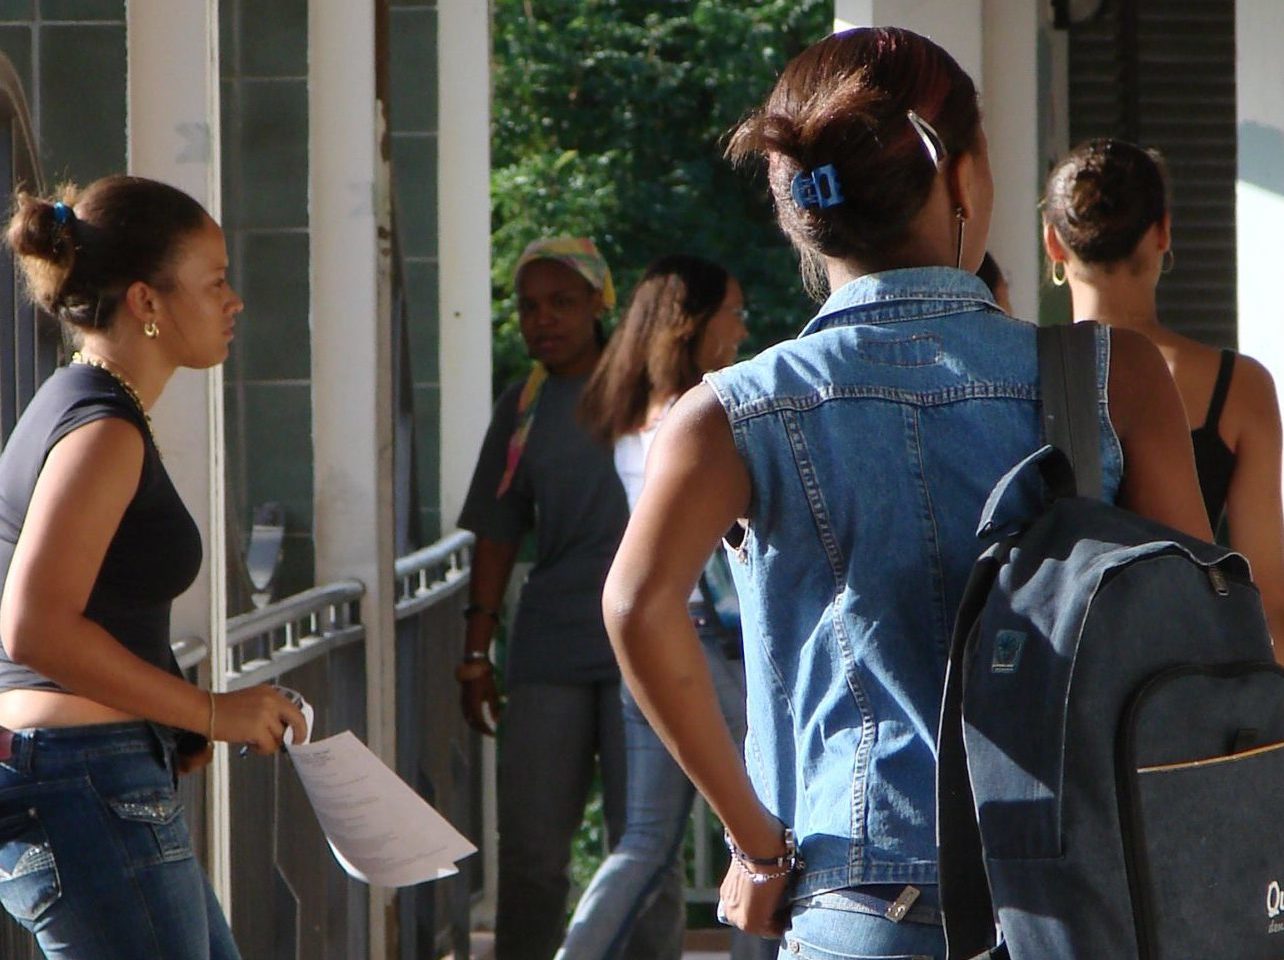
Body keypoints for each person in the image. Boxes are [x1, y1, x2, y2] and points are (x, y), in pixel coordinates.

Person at [599, 28, 1210, 960]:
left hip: (855, 893)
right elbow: (1196, 625)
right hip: (1082, 894)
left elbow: (637, 606)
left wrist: (758, 846)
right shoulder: (1115, 375)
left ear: (798, 214)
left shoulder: (732, 411)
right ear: (962, 181)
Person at [0, 175, 307, 959]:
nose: (234, 300)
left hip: (84, 776)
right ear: (146, 301)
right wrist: (210, 709)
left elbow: (98, 597)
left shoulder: (86, 405)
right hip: (82, 781)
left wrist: (169, 714)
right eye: (214, 282)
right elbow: (33, 626)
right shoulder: (102, 430)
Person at [456, 238, 669, 960]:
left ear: (600, 305)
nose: (542, 319)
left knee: (644, 846)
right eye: (529, 306)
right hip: (551, 649)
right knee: (532, 856)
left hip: (650, 650)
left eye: (562, 302)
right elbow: (497, 531)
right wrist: (474, 654)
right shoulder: (523, 406)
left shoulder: (649, 390)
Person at [559, 254, 772, 960]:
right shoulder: (699, 418)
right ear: (693, 323)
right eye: (733, 313)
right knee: (768, 829)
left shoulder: (633, 413)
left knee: (646, 841)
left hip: (648, 645)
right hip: (711, 643)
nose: (742, 330)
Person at [1043, 138, 1284, 644]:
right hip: (1182, 679)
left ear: (1054, 244)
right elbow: (1269, 604)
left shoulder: (1019, 373)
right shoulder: (1238, 388)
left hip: (1057, 678)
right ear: (1162, 233)